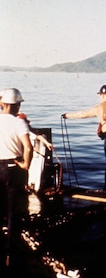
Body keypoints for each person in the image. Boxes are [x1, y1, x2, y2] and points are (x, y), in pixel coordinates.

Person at [0, 88, 33, 265]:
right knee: (14, 211)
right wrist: (26, 165)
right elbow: (28, 147)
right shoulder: (19, 123)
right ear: (18, 105)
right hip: (14, 168)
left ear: (3, 104)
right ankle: (12, 254)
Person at [17, 113, 53, 192]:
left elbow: (37, 135)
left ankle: (29, 186)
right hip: (20, 155)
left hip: (28, 154)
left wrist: (47, 143)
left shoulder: (28, 130)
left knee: (30, 171)